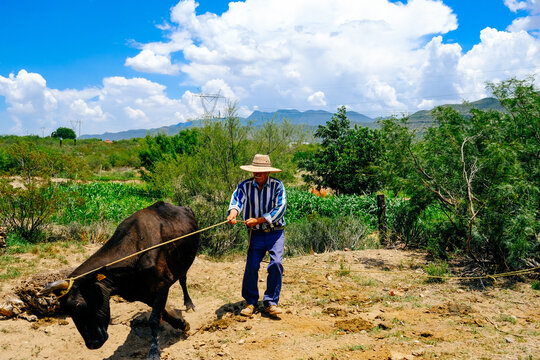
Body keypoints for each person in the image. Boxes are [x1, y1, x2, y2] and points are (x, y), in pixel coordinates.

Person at [227, 154, 287, 317]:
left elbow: (280, 209)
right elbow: (236, 201)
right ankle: (250, 302)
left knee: (276, 264)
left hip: (275, 233)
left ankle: (271, 302)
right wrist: (233, 213)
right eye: (255, 171)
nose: (257, 174)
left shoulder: (277, 186)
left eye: (261, 171)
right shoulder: (244, 186)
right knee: (252, 266)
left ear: (267, 172)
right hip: (256, 234)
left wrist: (259, 220)